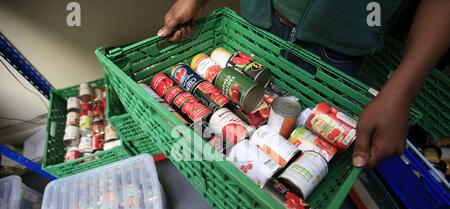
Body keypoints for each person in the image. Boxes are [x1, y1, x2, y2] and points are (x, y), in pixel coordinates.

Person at [157, 0, 450, 169]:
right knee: (244, 123)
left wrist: (402, 91)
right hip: (257, 20)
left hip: (337, 50)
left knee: (310, 145)